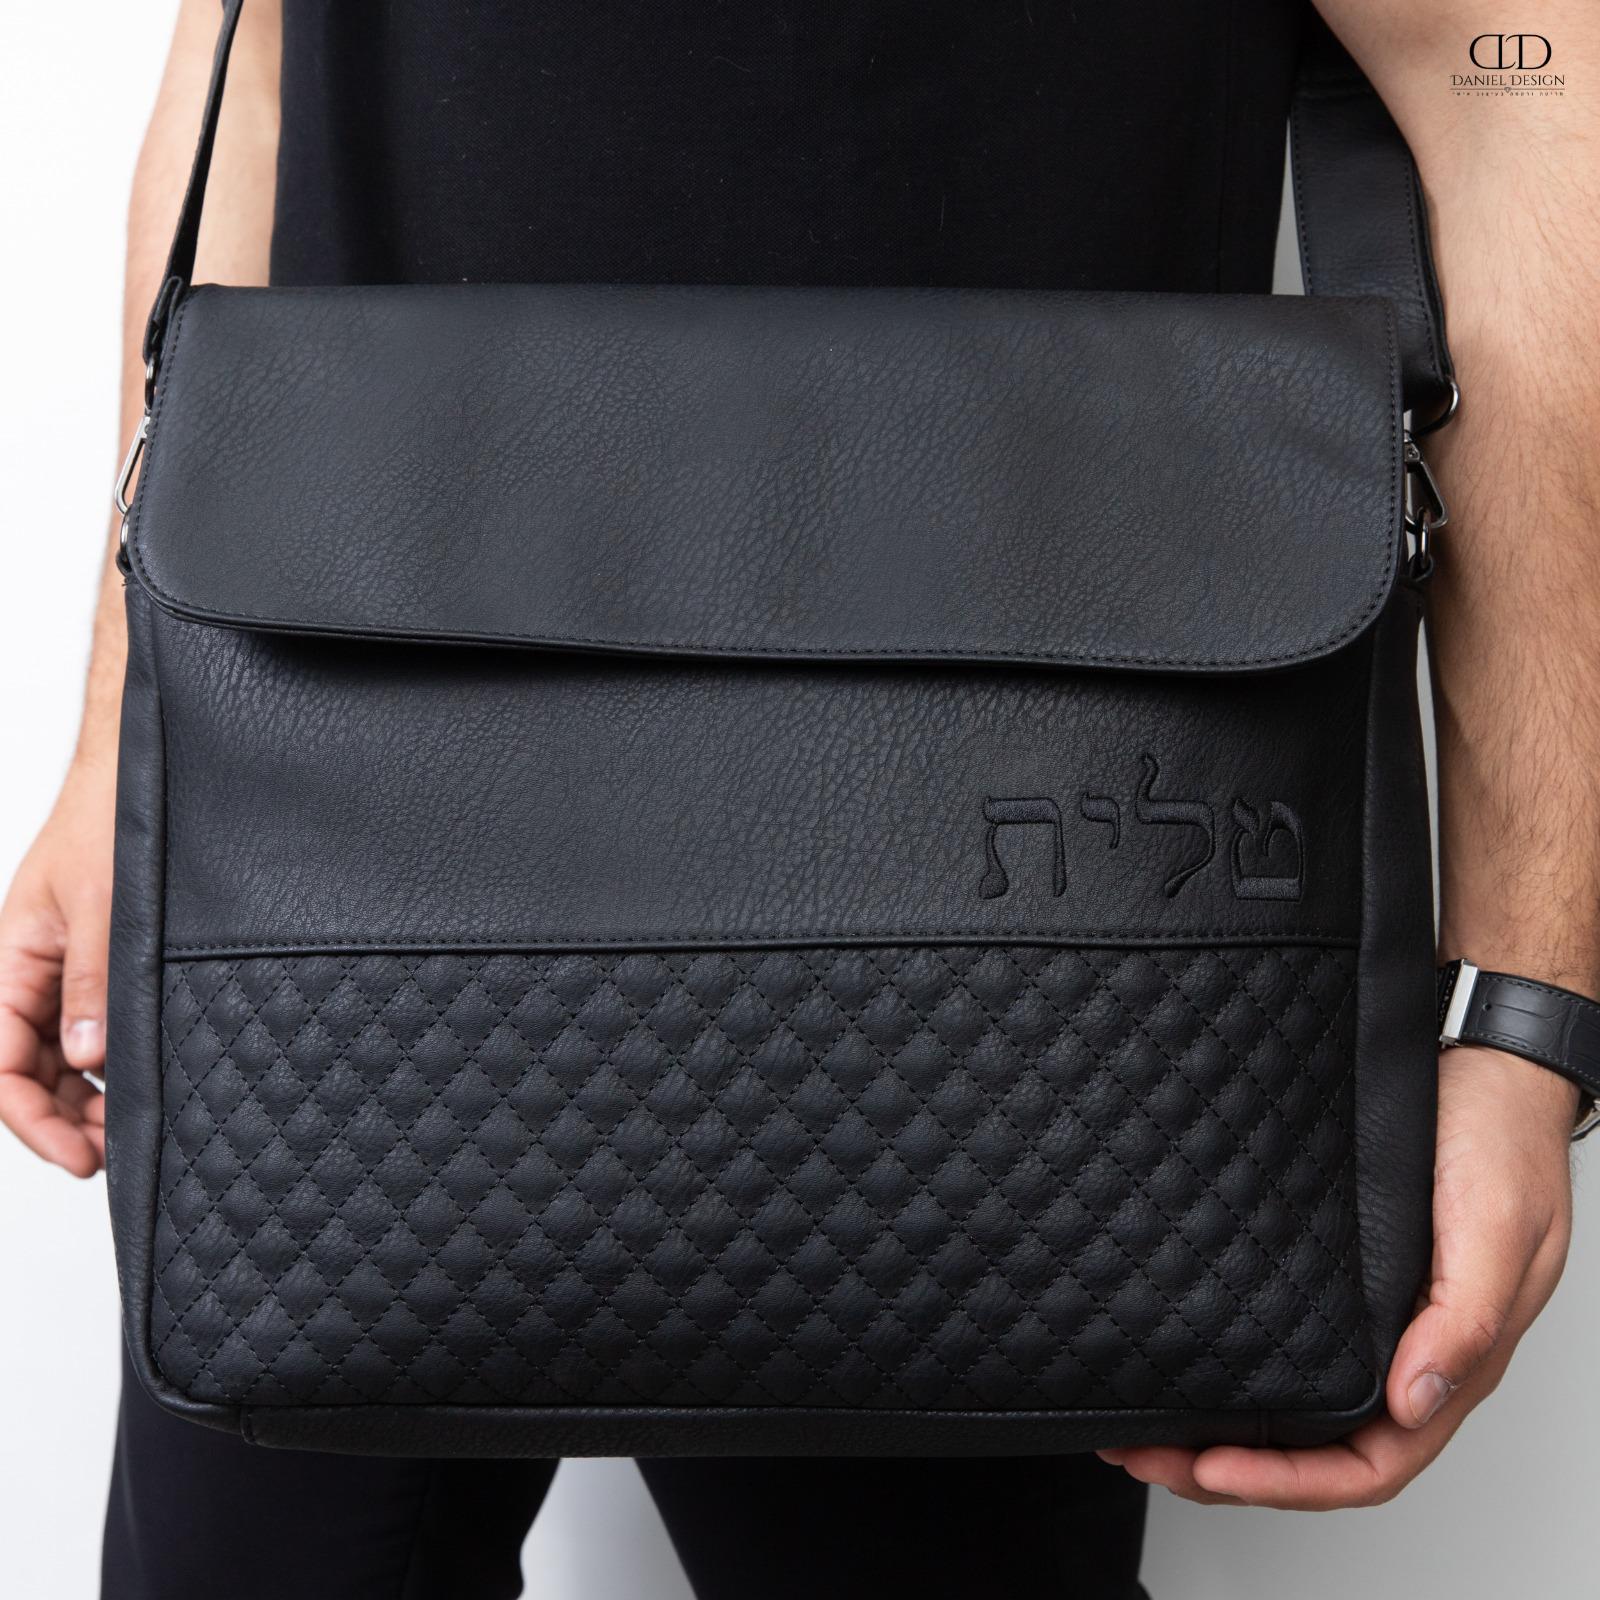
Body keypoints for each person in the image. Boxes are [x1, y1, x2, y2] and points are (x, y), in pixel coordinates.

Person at [1, 2, 1595, 1595]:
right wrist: (119, 742)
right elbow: (252, 58)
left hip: (1009, 921)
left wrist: (1528, 1013)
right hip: (321, 784)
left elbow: (1514, 79)